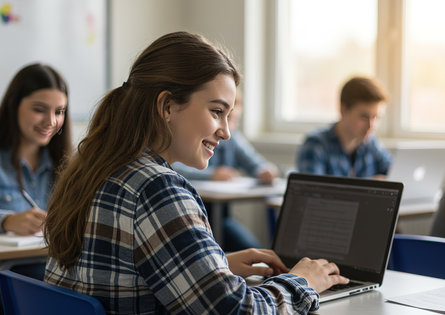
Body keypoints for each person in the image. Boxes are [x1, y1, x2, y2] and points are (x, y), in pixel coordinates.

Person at [44, 31, 348, 314]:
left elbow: (119, 275)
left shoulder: (93, 169)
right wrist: (303, 281)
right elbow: (237, 311)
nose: (226, 132)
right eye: (216, 111)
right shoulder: (156, 188)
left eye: (229, 116)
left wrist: (216, 267)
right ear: (167, 107)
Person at [172, 88, 278, 251]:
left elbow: (254, 162)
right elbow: (175, 167)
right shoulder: (185, 141)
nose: (226, 130)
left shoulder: (232, 139)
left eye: (233, 119)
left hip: (221, 220)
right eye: (218, 114)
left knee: (254, 250)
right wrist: (211, 175)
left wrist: (264, 170)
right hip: (189, 217)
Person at [0, 63, 72, 280]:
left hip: (55, 276)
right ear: (14, 105)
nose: (51, 121)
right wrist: (6, 221)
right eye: (39, 109)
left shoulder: (69, 165)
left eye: (59, 111)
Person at [296, 76, 392, 178]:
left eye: (376, 117)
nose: (371, 126)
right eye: (364, 117)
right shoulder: (316, 145)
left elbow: (395, 174)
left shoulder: (370, 143)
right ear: (343, 110)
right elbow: (311, 190)